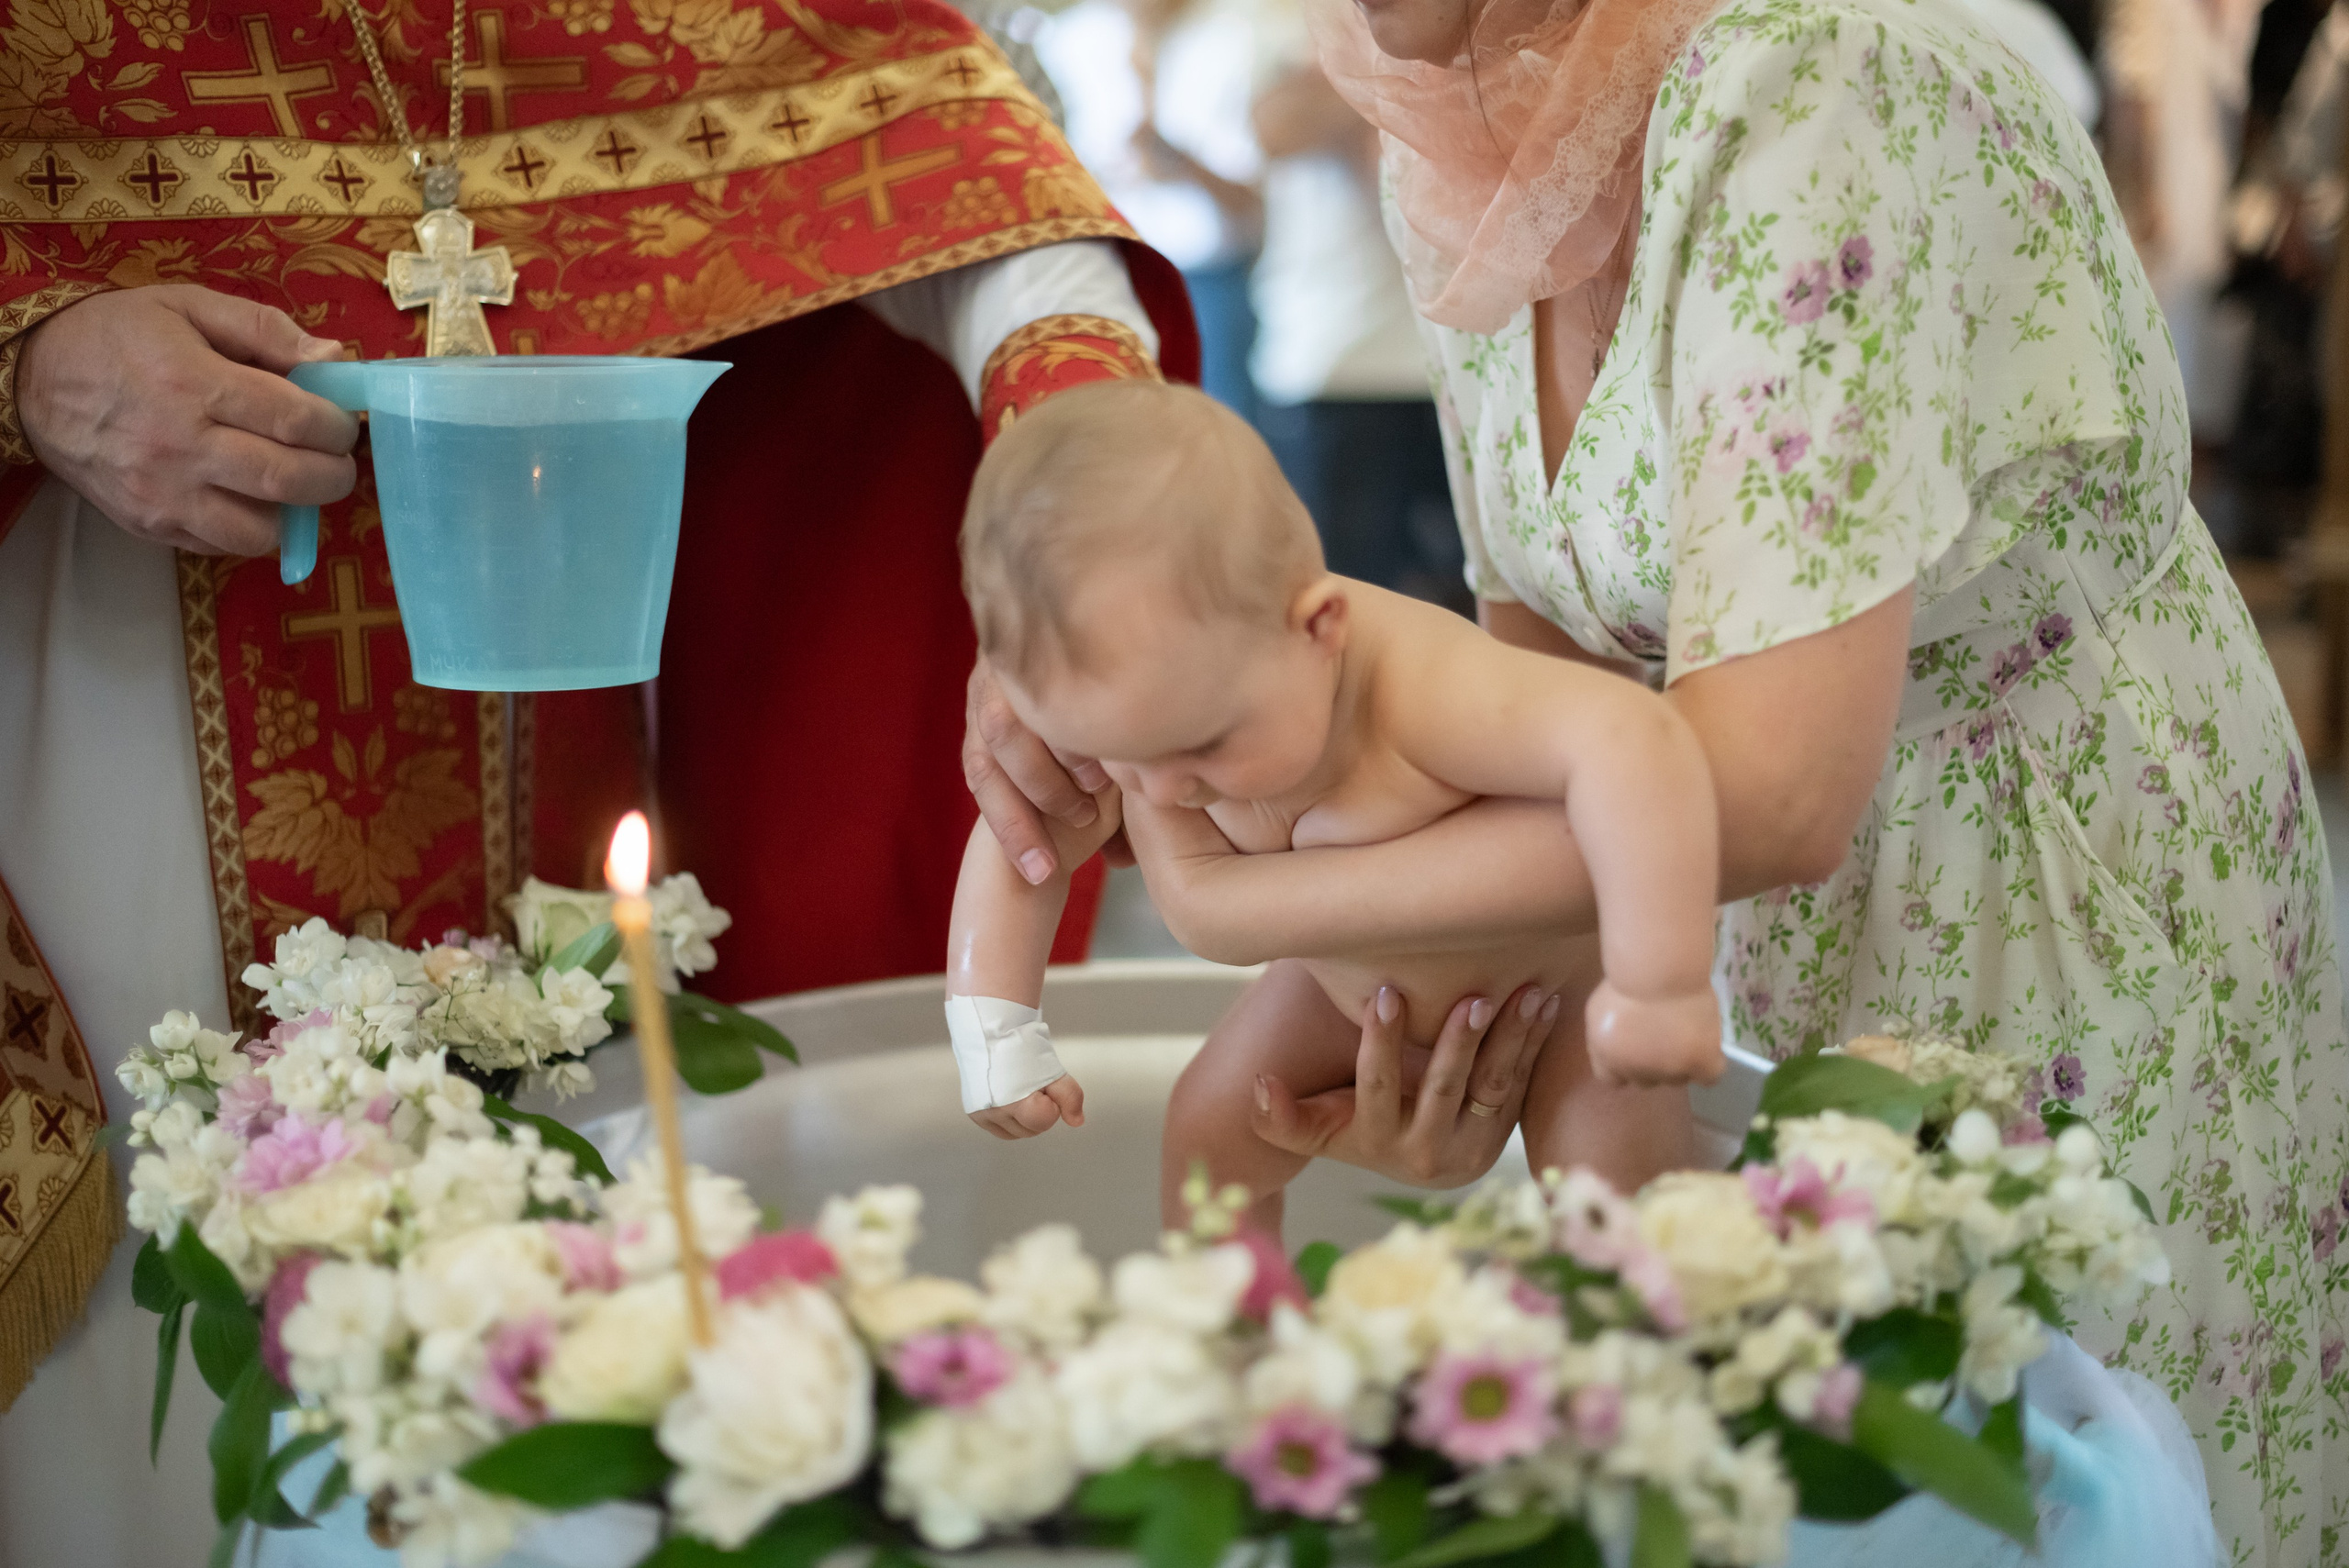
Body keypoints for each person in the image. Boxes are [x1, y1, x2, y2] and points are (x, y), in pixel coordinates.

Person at [962, 0, 2349, 1558]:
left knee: (2038, 1472)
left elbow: (1769, 792)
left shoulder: (1809, 84)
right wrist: (1468, 1023)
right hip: (1685, 917)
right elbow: (1541, 708)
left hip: (2038, 888)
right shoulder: (1463, 136)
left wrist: (1228, 900)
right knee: (1738, 1450)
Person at [0, 0, 1197, 1557]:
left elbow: (959, 175)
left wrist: (1082, 502)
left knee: (559, 1385)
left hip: (571, 820)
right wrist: (31, 368)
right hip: (87, 739)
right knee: (121, 1406)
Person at [941, 382, 1721, 1223]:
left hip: (1559, 997)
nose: (1159, 791)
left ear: (1319, 628)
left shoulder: (1422, 690)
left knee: (1620, 1206)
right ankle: (1225, 1310)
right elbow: (1026, 839)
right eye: (1119, 757)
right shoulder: (1149, 716)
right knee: (1207, 1136)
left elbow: (1632, 736)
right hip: (1339, 991)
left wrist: (1658, 982)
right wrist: (998, 1034)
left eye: (1203, 746)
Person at [1249, 3, 1468, 603]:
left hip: (1441, 364)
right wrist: (1392, 76)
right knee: (1343, 598)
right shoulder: (1282, 33)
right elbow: (1275, 128)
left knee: (1460, 597)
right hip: (1336, 366)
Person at [1038, 0, 1266, 421]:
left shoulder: (1234, 38)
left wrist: (1174, 160)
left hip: (1208, 282)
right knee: (1112, 427)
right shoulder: (1071, 39)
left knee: (1218, 429)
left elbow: (1250, 203)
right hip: (1105, 272)